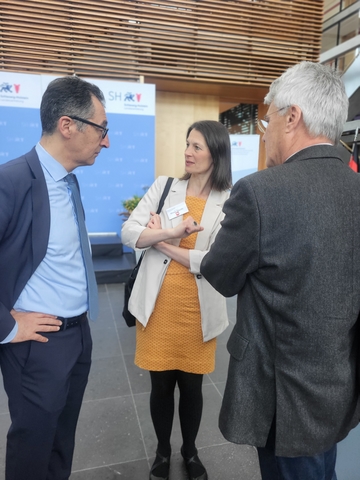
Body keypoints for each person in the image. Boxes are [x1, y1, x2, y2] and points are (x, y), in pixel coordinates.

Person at [200, 61, 360, 480]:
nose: (262, 130)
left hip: (279, 394)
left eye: (266, 119)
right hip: (338, 385)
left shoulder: (259, 192)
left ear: (293, 117)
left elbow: (221, 274)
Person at [0, 75, 109, 480]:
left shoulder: (69, 182)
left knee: (61, 443)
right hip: (37, 342)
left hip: (78, 335)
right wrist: (8, 326)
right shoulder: (10, 181)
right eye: (102, 129)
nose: (107, 141)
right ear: (68, 125)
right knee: (33, 447)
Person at [121, 120, 231, 480]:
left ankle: (190, 450)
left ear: (216, 152)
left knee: (193, 387)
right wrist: (171, 232)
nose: (188, 151)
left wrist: (160, 241)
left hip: (198, 309)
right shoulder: (166, 187)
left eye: (197, 146)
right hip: (158, 306)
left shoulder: (227, 201)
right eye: (187, 144)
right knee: (161, 386)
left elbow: (214, 260)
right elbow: (130, 232)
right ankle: (163, 451)